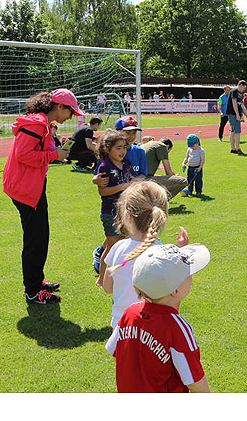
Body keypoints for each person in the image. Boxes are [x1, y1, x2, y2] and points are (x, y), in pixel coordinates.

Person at [3, 89, 82, 304]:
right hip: (26, 188)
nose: (71, 117)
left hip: (31, 185)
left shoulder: (42, 124)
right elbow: (23, 154)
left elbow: (35, 151)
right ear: (59, 107)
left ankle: (37, 281)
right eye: (70, 112)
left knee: (39, 236)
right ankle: (33, 290)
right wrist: (54, 155)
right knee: (35, 240)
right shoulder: (37, 124)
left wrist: (55, 151)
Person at [105, 242, 211, 393]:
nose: (191, 278)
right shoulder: (177, 328)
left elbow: (114, 349)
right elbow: (195, 381)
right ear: (175, 290)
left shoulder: (130, 313)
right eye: (188, 274)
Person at [103, 180, 188, 327]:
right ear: (163, 215)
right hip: (152, 329)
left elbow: (108, 288)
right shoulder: (163, 254)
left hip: (120, 326)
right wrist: (181, 254)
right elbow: (177, 294)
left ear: (127, 216)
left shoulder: (117, 248)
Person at [94, 130, 134, 288]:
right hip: (110, 212)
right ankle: (101, 279)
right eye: (118, 148)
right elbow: (102, 191)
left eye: (124, 147)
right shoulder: (105, 166)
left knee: (124, 244)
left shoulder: (127, 164)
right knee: (111, 246)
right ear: (107, 149)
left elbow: (132, 180)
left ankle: (117, 276)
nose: (122, 151)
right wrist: (122, 187)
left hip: (126, 211)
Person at [226, 80, 246, 155]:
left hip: (234, 114)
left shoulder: (240, 93)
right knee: (237, 132)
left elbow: (241, 105)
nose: (243, 90)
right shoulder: (234, 91)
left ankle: (233, 148)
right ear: (240, 85)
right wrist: (237, 114)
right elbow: (234, 103)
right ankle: (237, 148)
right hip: (233, 114)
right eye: (243, 88)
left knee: (233, 131)